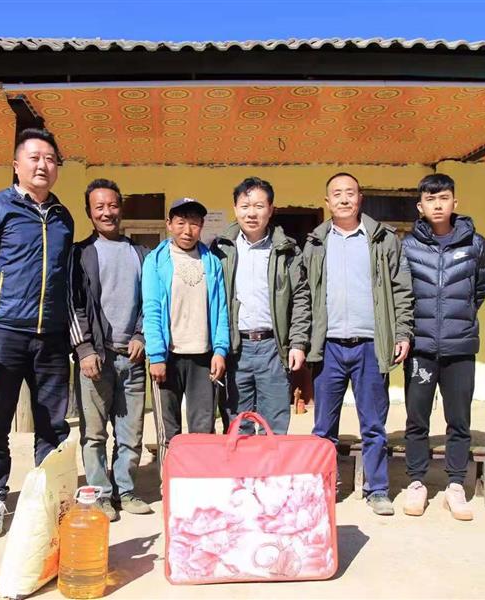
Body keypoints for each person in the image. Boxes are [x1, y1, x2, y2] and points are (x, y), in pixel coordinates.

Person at [0, 128, 74, 537]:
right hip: (4, 333)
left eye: (50, 158)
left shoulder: (63, 217)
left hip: (52, 338)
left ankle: (47, 500)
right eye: (34, 157)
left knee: (53, 426)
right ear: (16, 165)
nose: (43, 165)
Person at [303, 172, 414, 516]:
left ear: (360, 198)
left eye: (350, 193)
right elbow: (304, 295)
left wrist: (402, 332)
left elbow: (402, 289)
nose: (344, 199)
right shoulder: (316, 243)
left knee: (374, 425)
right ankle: (323, 488)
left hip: (370, 345)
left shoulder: (383, 239)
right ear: (327, 202)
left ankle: (377, 489)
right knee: (323, 428)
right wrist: (302, 341)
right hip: (329, 346)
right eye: (337, 193)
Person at [401, 173, 485, 521]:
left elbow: (480, 287)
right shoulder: (409, 246)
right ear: (420, 206)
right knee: (416, 418)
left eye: (443, 198)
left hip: (460, 347)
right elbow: (403, 292)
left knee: (459, 419)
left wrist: (461, 316)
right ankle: (416, 482)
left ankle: (455, 485)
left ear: (455, 202)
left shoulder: (475, 244)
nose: (437, 205)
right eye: (430, 199)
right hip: (421, 348)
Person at [69, 178, 151, 521]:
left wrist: (141, 335)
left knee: (131, 432)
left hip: (131, 357)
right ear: (89, 212)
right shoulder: (80, 254)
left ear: (121, 208)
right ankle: (100, 494)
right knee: (94, 433)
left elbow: (151, 302)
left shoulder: (140, 254)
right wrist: (84, 349)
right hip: (96, 358)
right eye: (99, 206)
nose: (107, 212)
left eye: (113, 205)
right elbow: (73, 305)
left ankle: (126, 491)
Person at [211, 177, 311, 435]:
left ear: (271, 209)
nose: (251, 213)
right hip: (235, 349)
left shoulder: (287, 250)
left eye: (258, 206)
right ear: (235, 209)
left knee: (274, 426)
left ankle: (270, 464)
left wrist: (298, 343)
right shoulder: (220, 249)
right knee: (237, 426)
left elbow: (301, 297)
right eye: (245, 206)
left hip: (273, 348)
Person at [142, 198, 229, 468]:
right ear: (169, 224)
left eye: (194, 223)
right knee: (169, 431)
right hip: (168, 357)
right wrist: (156, 355)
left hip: (203, 357)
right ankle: (170, 482)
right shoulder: (155, 261)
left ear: (201, 225)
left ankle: (200, 481)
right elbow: (151, 309)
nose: (187, 230)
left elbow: (221, 309)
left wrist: (220, 350)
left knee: (203, 429)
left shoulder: (211, 262)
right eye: (181, 223)